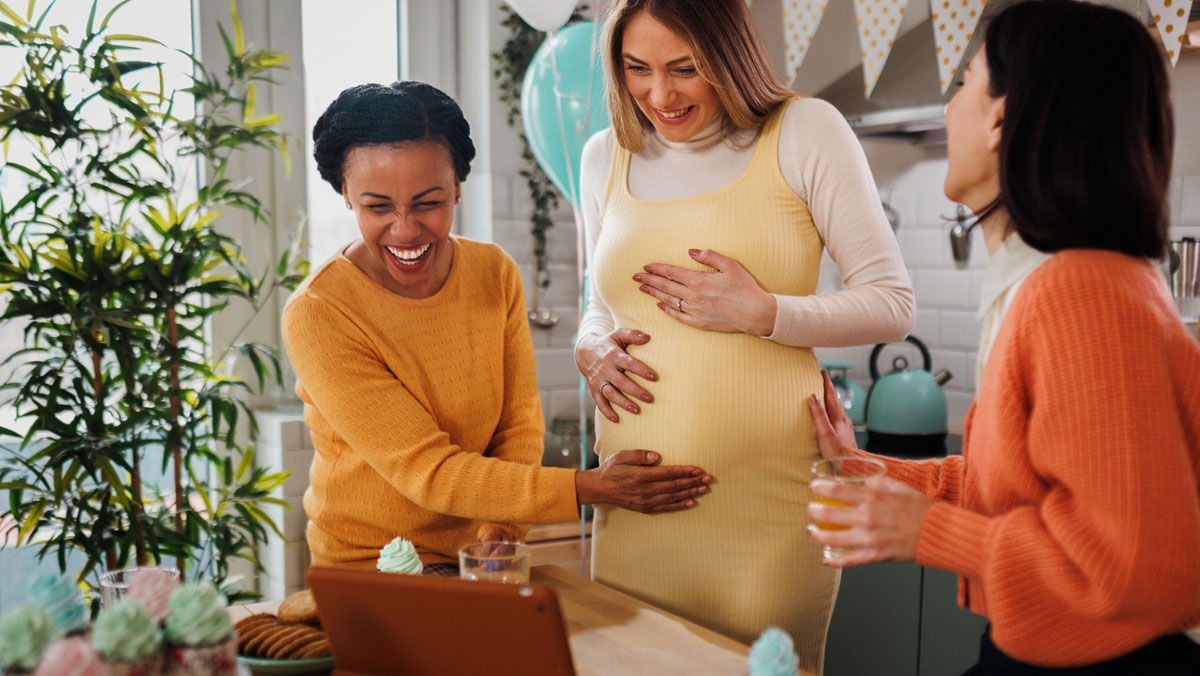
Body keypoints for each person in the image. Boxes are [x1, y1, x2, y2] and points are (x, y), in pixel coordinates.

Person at [805, 2, 1200, 673]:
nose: (949, 103)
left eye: (962, 82)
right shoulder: (1072, 281)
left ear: (998, 119)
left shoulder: (1083, 293)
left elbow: (1134, 564)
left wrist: (928, 531)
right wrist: (868, 468)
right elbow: (1025, 488)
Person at [574, 0, 913, 668]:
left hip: (768, 509)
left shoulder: (804, 130)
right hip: (636, 509)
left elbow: (891, 302)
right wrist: (589, 350)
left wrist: (766, 314)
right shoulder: (605, 154)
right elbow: (600, 305)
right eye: (636, 68)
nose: (659, 94)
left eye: (685, 68)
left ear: (729, 57)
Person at [282, 81, 713, 575]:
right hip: (369, 566)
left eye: (428, 202)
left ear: (458, 187)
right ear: (346, 196)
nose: (404, 229)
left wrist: (503, 528)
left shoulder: (493, 273)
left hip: (475, 557)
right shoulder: (320, 313)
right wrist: (587, 488)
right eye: (377, 207)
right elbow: (428, 471)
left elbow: (519, 423)